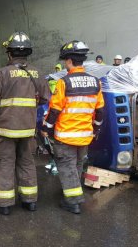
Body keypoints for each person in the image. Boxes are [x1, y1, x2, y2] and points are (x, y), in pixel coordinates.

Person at [0, 32, 50, 215]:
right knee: (27, 163)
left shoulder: (2, 74)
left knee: (4, 164)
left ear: (9, 53)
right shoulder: (38, 73)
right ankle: (30, 201)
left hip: (5, 130)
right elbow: (46, 98)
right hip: (27, 130)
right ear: (27, 53)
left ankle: (4, 204)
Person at [41, 40, 105, 214]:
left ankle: (73, 201)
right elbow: (99, 111)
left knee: (67, 166)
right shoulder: (95, 82)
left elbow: (54, 110)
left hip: (65, 135)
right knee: (77, 164)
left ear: (69, 60)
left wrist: (46, 128)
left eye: (64, 61)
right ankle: (73, 193)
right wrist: (96, 129)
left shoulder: (64, 82)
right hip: (85, 135)